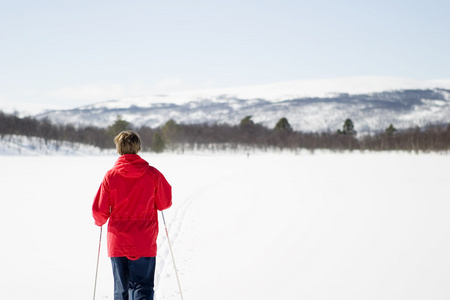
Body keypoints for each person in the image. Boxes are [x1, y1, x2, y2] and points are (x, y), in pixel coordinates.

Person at [92, 130, 172, 300]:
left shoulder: (111, 176)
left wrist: (99, 221)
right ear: (138, 148)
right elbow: (165, 202)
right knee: (142, 287)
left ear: (118, 149)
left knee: (121, 289)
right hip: (144, 239)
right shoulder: (152, 174)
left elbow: (99, 211)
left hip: (118, 241)